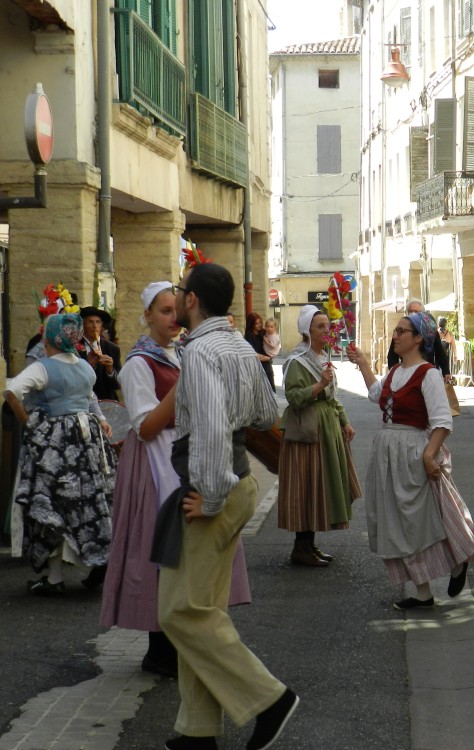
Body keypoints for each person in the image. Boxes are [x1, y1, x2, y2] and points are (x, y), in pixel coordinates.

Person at [158, 263, 297, 750]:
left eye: (180, 292)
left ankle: (268, 698)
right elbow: (265, 413)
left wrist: (210, 497)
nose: (177, 299)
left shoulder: (198, 352)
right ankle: (197, 730)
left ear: (192, 301)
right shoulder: (238, 344)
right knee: (203, 607)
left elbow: (213, 429)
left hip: (214, 488)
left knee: (179, 610)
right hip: (238, 483)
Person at [99, 282, 252, 678]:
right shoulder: (138, 364)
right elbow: (146, 427)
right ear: (147, 315)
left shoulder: (186, 353)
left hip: (188, 454)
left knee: (189, 552)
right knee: (160, 550)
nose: (172, 318)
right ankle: (160, 649)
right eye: (163, 311)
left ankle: (184, 641)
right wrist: (186, 386)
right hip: (155, 464)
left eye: (175, 310)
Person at [347, 311, 474, 610]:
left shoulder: (429, 374)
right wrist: (364, 365)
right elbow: (375, 394)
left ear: (419, 338)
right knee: (396, 521)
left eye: (401, 331)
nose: (395, 335)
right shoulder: (395, 372)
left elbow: (442, 421)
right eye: (396, 330)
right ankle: (422, 592)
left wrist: (429, 454)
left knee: (419, 521)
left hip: (412, 453)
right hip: (388, 454)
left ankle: (457, 562)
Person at [3, 314, 116, 595]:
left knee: (52, 505)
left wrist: (27, 422)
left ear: (49, 337)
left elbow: (11, 391)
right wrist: (101, 421)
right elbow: (91, 401)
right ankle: (92, 561)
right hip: (86, 442)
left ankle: (54, 578)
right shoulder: (85, 368)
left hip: (54, 446)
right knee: (83, 502)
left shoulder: (42, 368)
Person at [278, 305, 355, 567]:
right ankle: (301, 547)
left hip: (326, 428)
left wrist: (344, 421)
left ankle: (309, 545)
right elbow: (293, 398)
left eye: (327, 326)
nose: (326, 331)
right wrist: (319, 384)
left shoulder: (322, 357)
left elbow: (333, 396)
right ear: (306, 331)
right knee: (307, 485)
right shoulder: (296, 361)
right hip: (308, 432)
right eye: (320, 327)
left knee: (319, 485)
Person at [387, 299, 451, 379]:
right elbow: (392, 355)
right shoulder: (400, 330)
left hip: (427, 372)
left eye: (416, 312)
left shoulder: (430, 331)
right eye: (410, 311)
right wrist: (394, 373)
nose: (413, 314)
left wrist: (446, 372)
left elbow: (439, 352)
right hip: (407, 373)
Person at [79, 306, 122, 401]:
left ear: (101, 325)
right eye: (90, 322)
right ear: (83, 324)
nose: (95, 326)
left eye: (98, 322)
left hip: (106, 402)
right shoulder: (75, 347)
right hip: (81, 400)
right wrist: (88, 364)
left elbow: (117, 384)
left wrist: (110, 370)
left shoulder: (112, 349)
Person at [244, 312, 275, 392]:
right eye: (256, 323)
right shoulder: (249, 336)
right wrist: (268, 358)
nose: (259, 325)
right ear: (251, 324)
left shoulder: (263, 333)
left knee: (270, 389)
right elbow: (252, 354)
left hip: (267, 365)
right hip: (257, 366)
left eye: (260, 322)